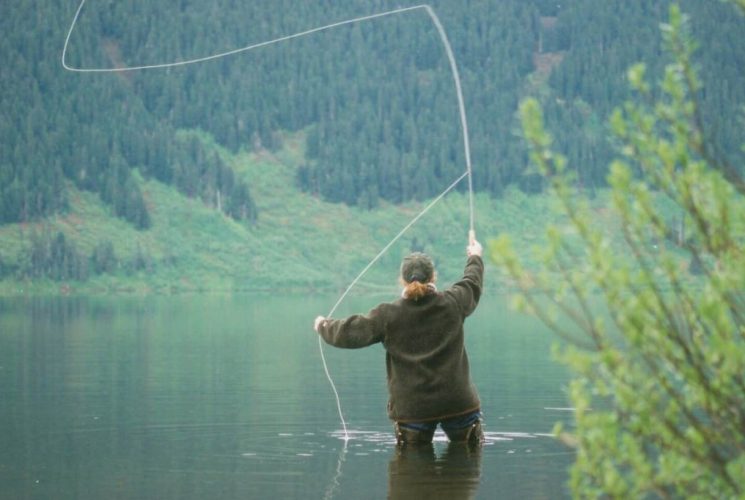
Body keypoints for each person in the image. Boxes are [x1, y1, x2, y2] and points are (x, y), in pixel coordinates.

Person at [314, 232, 485, 446]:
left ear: (402, 280)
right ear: (433, 277)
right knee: (465, 471)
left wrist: (323, 325)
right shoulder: (454, 302)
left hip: (412, 410)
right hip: (458, 402)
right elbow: (472, 281)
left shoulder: (387, 315)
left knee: (410, 474)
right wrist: (475, 256)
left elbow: (350, 333)